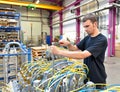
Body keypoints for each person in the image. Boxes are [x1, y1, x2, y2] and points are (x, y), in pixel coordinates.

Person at [50, 13, 108, 89]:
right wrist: (68, 44)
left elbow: (83, 55)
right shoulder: (87, 38)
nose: (85, 29)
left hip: (98, 79)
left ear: (95, 24)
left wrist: (59, 52)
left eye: (87, 26)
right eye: (84, 27)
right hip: (86, 76)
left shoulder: (101, 40)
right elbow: (74, 48)